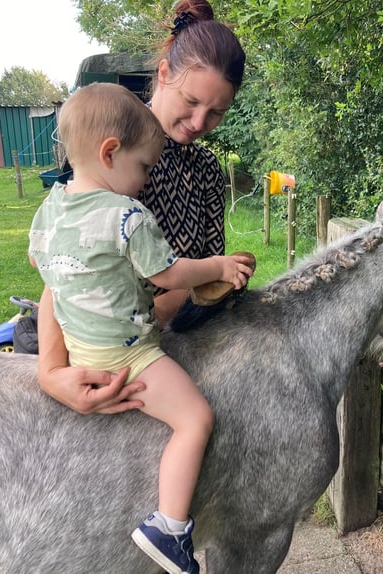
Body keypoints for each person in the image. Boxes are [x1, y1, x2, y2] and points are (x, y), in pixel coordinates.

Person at [29, 82, 252, 574]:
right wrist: (216, 267)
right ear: (110, 153)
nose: (145, 179)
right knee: (196, 419)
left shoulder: (50, 210)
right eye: (144, 167)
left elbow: (47, 272)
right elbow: (168, 275)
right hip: (126, 356)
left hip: (76, 351)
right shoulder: (127, 215)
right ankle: (170, 529)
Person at [36, 0, 248, 418]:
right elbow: (62, 271)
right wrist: (51, 372)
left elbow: (205, 271)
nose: (200, 120)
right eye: (191, 100)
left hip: (173, 345)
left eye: (217, 111)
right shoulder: (113, 144)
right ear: (165, 74)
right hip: (104, 348)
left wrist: (224, 278)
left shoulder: (206, 169)